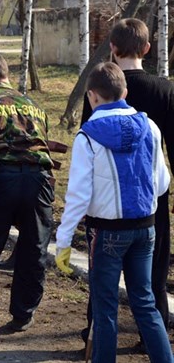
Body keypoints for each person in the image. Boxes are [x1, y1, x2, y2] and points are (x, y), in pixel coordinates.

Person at [55, 62, 172, 363]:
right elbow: (162, 182)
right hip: (146, 228)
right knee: (145, 302)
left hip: (106, 232)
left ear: (92, 96)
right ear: (126, 91)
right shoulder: (151, 127)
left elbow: (79, 195)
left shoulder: (87, 136)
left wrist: (64, 240)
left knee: (104, 308)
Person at [79, 18, 174, 347]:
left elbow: (86, 146)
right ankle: (153, 339)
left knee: (101, 279)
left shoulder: (98, 89)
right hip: (151, 199)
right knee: (153, 278)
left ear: (112, 48)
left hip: (105, 202)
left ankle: (94, 338)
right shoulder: (165, 90)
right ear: (147, 48)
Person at [0, 51, 54, 348]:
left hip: (1, 180)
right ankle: (23, 313)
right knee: (34, 248)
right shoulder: (35, 105)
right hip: (39, 180)